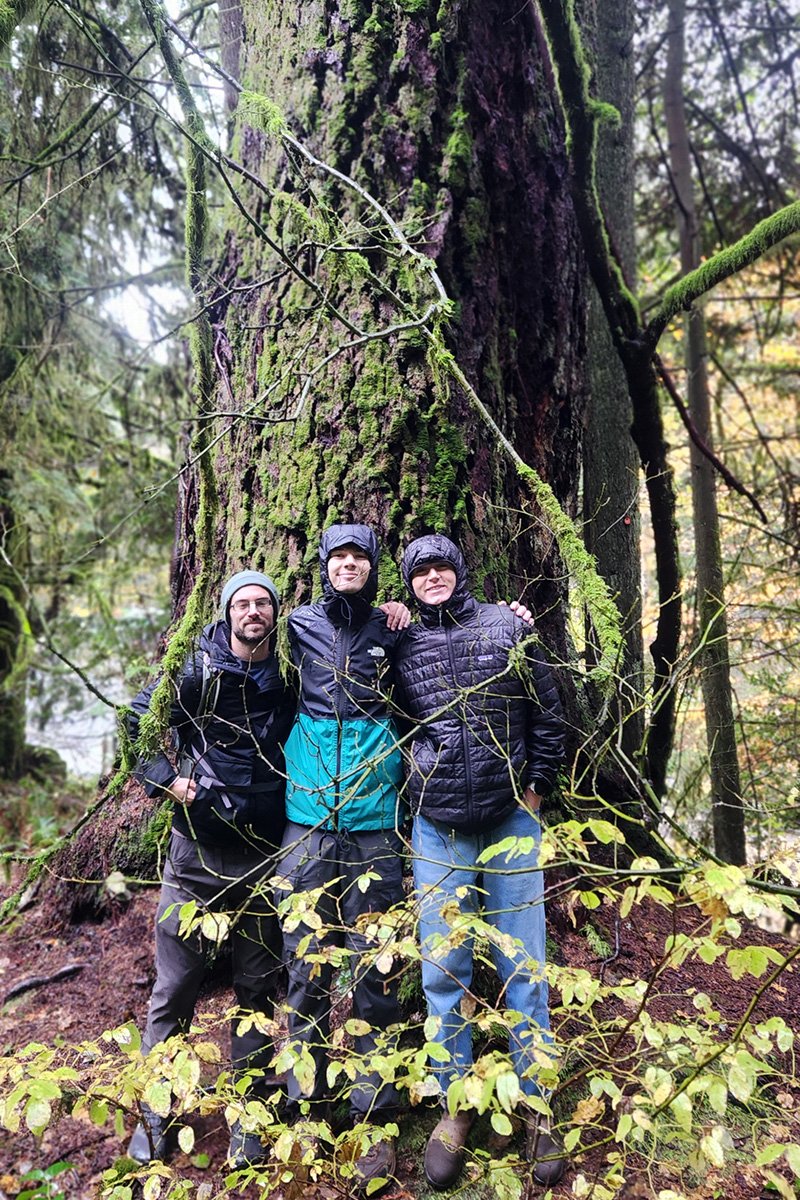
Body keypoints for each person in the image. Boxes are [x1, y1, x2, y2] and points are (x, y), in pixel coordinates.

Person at [394, 534, 565, 1190]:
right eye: (420, 571)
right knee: (445, 968)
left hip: (510, 819)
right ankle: (455, 1106)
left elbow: (548, 711)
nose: (432, 577)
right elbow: (370, 703)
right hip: (438, 826)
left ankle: (539, 1106)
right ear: (409, 582)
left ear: (459, 572)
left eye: (442, 567)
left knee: (524, 965)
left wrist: (537, 787)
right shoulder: (399, 641)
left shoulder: (504, 626)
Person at [126, 570, 295, 1169]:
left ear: (275, 612)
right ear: (226, 613)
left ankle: (248, 1114)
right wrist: (166, 780)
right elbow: (135, 722)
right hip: (194, 857)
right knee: (174, 988)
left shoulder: (289, 672)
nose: (253, 612)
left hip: (263, 857)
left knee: (255, 991)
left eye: (263, 603)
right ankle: (156, 1113)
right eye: (242, 604)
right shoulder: (194, 669)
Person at [275, 524, 406, 1191]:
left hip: (374, 826)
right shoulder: (294, 624)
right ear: (324, 567)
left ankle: (374, 1119)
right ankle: (306, 1107)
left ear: (373, 567)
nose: (348, 565)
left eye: (359, 557)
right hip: (305, 826)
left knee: (374, 974)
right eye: (338, 557)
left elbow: (443, 668)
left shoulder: (396, 627)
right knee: (305, 968)